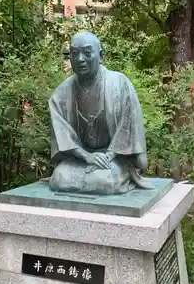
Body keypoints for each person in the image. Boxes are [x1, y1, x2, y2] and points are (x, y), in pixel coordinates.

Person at [49, 31, 152, 195]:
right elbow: (63, 136)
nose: (80, 59)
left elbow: (128, 128)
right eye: (75, 54)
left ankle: (120, 173)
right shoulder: (61, 94)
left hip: (113, 157)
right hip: (79, 159)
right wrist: (86, 156)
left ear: (101, 55)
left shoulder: (119, 84)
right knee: (60, 177)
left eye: (87, 53)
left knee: (106, 181)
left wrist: (109, 155)